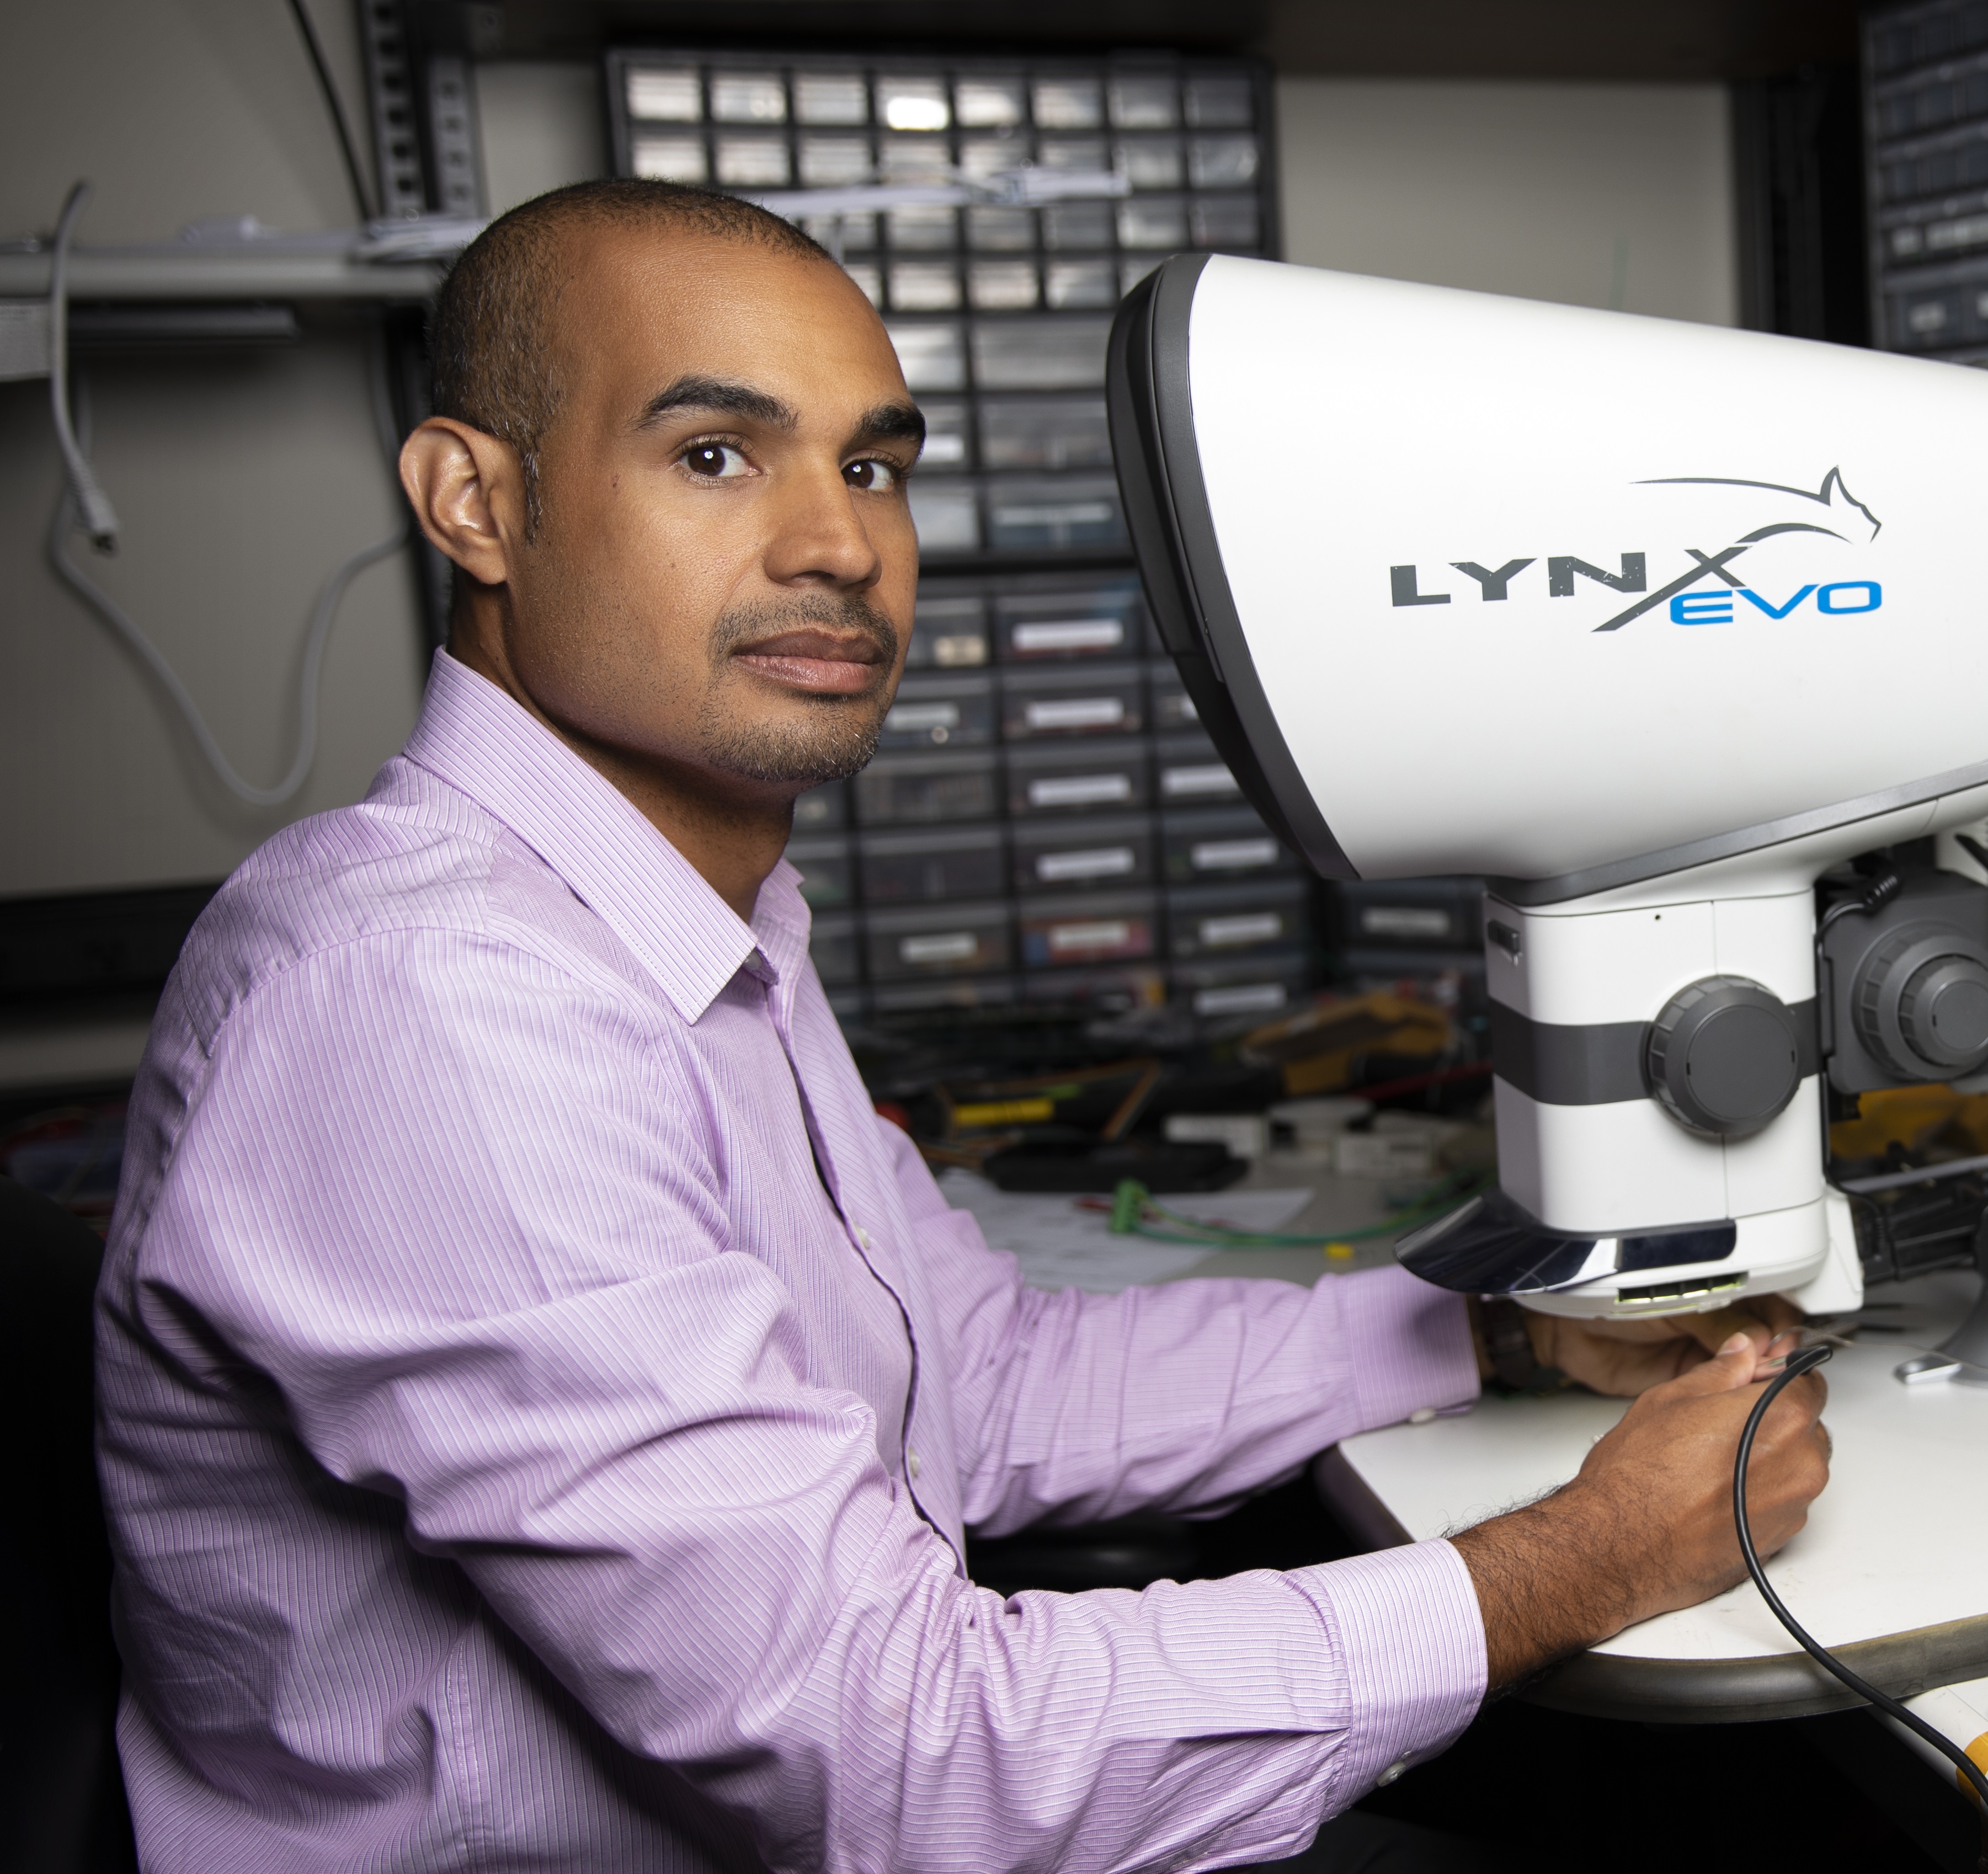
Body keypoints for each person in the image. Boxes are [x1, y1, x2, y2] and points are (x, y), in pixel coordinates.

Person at [92, 178, 1833, 1872]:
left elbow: (976, 1383)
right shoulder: (438, 1009)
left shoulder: (678, 921)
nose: (842, 542)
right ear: (475, 499)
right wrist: (1589, 1556)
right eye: (714, 454)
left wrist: (1496, 1337)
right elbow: (894, 1760)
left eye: (871, 464)